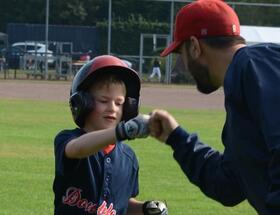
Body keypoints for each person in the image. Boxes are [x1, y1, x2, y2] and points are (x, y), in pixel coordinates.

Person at [148, 0, 280, 215]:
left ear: (194, 46)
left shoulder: (254, 63)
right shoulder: (244, 81)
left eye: (181, 54)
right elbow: (228, 186)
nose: (184, 67)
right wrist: (177, 138)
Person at [53, 55, 168, 215]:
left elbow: (123, 203)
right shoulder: (68, 139)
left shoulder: (128, 158)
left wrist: (146, 208)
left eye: (119, 103)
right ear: (82, 103)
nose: (112, 108)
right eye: (103, 100)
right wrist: (121, 132)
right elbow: (77, 149)